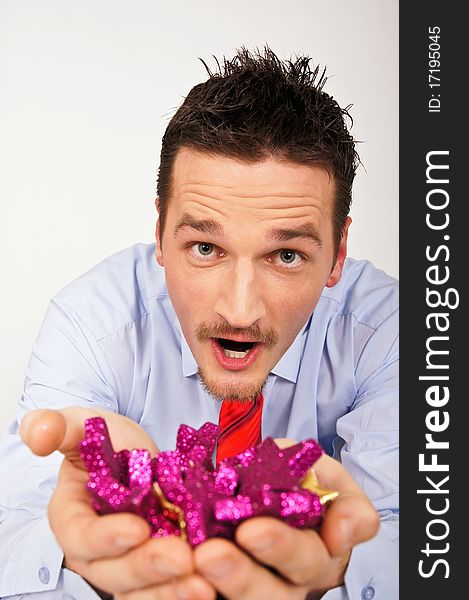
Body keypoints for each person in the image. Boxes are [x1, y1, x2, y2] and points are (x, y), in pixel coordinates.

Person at [0, 46, 398, 599]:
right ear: (160, 232)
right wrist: (86, 557)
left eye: (286, 256)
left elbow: (424, 549)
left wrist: (335, 569)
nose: (239, 310)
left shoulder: (394, 336)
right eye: (205, 247)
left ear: (338, 254)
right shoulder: (92, 324)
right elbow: (15, 541)